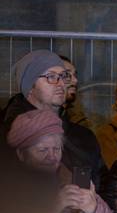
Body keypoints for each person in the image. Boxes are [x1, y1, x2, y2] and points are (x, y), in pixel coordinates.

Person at [3, 50, 104, 189]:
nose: (61, 83)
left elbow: (104, 182)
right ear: (30, 87)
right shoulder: (7, 135)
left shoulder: (84, 136)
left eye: (63, 76)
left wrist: (94, 203)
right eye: (51, 77)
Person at [58, 55, 91, 128]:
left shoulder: (78, 119)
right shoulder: (36, 120)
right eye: (67, 75)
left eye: (75, 75)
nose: (75, 80)